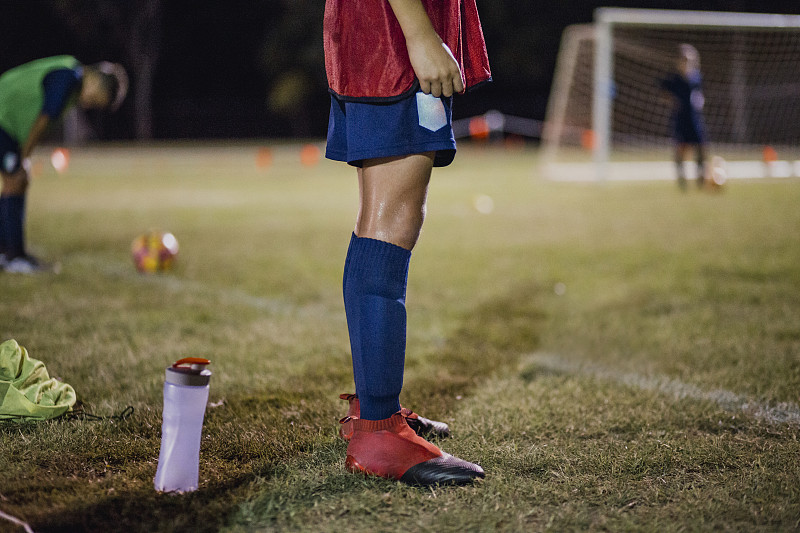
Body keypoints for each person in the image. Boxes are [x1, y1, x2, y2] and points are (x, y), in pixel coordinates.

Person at [323, 0, 491, 485]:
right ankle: (379, 432)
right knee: (392, 224)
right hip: (391, 41)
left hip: (376, 36)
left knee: (380, 216)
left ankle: (374, 408)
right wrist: (419, 36)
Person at [0, 55, 128, 273]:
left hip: (7, 123)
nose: (90, 104)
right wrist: (25, 156)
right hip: (3, 120)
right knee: (15, 180)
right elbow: (43, 119)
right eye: (96, 99)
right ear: (95, 81)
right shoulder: (68, 79)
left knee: (18, 181)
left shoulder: (70, 72)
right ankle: (12, 256)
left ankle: (10, 253)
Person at [660, 44, 707, 191]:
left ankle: (701, 176)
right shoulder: (674, 78)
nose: (687, 62)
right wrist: (673, 101)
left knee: (701, 146)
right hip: (680, 118)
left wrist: (700, 100)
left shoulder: (696, 77)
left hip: (695, 118)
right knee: (681, 148)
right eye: (685, 59)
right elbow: (664, 92)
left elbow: (699, 94)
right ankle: (681, 179)